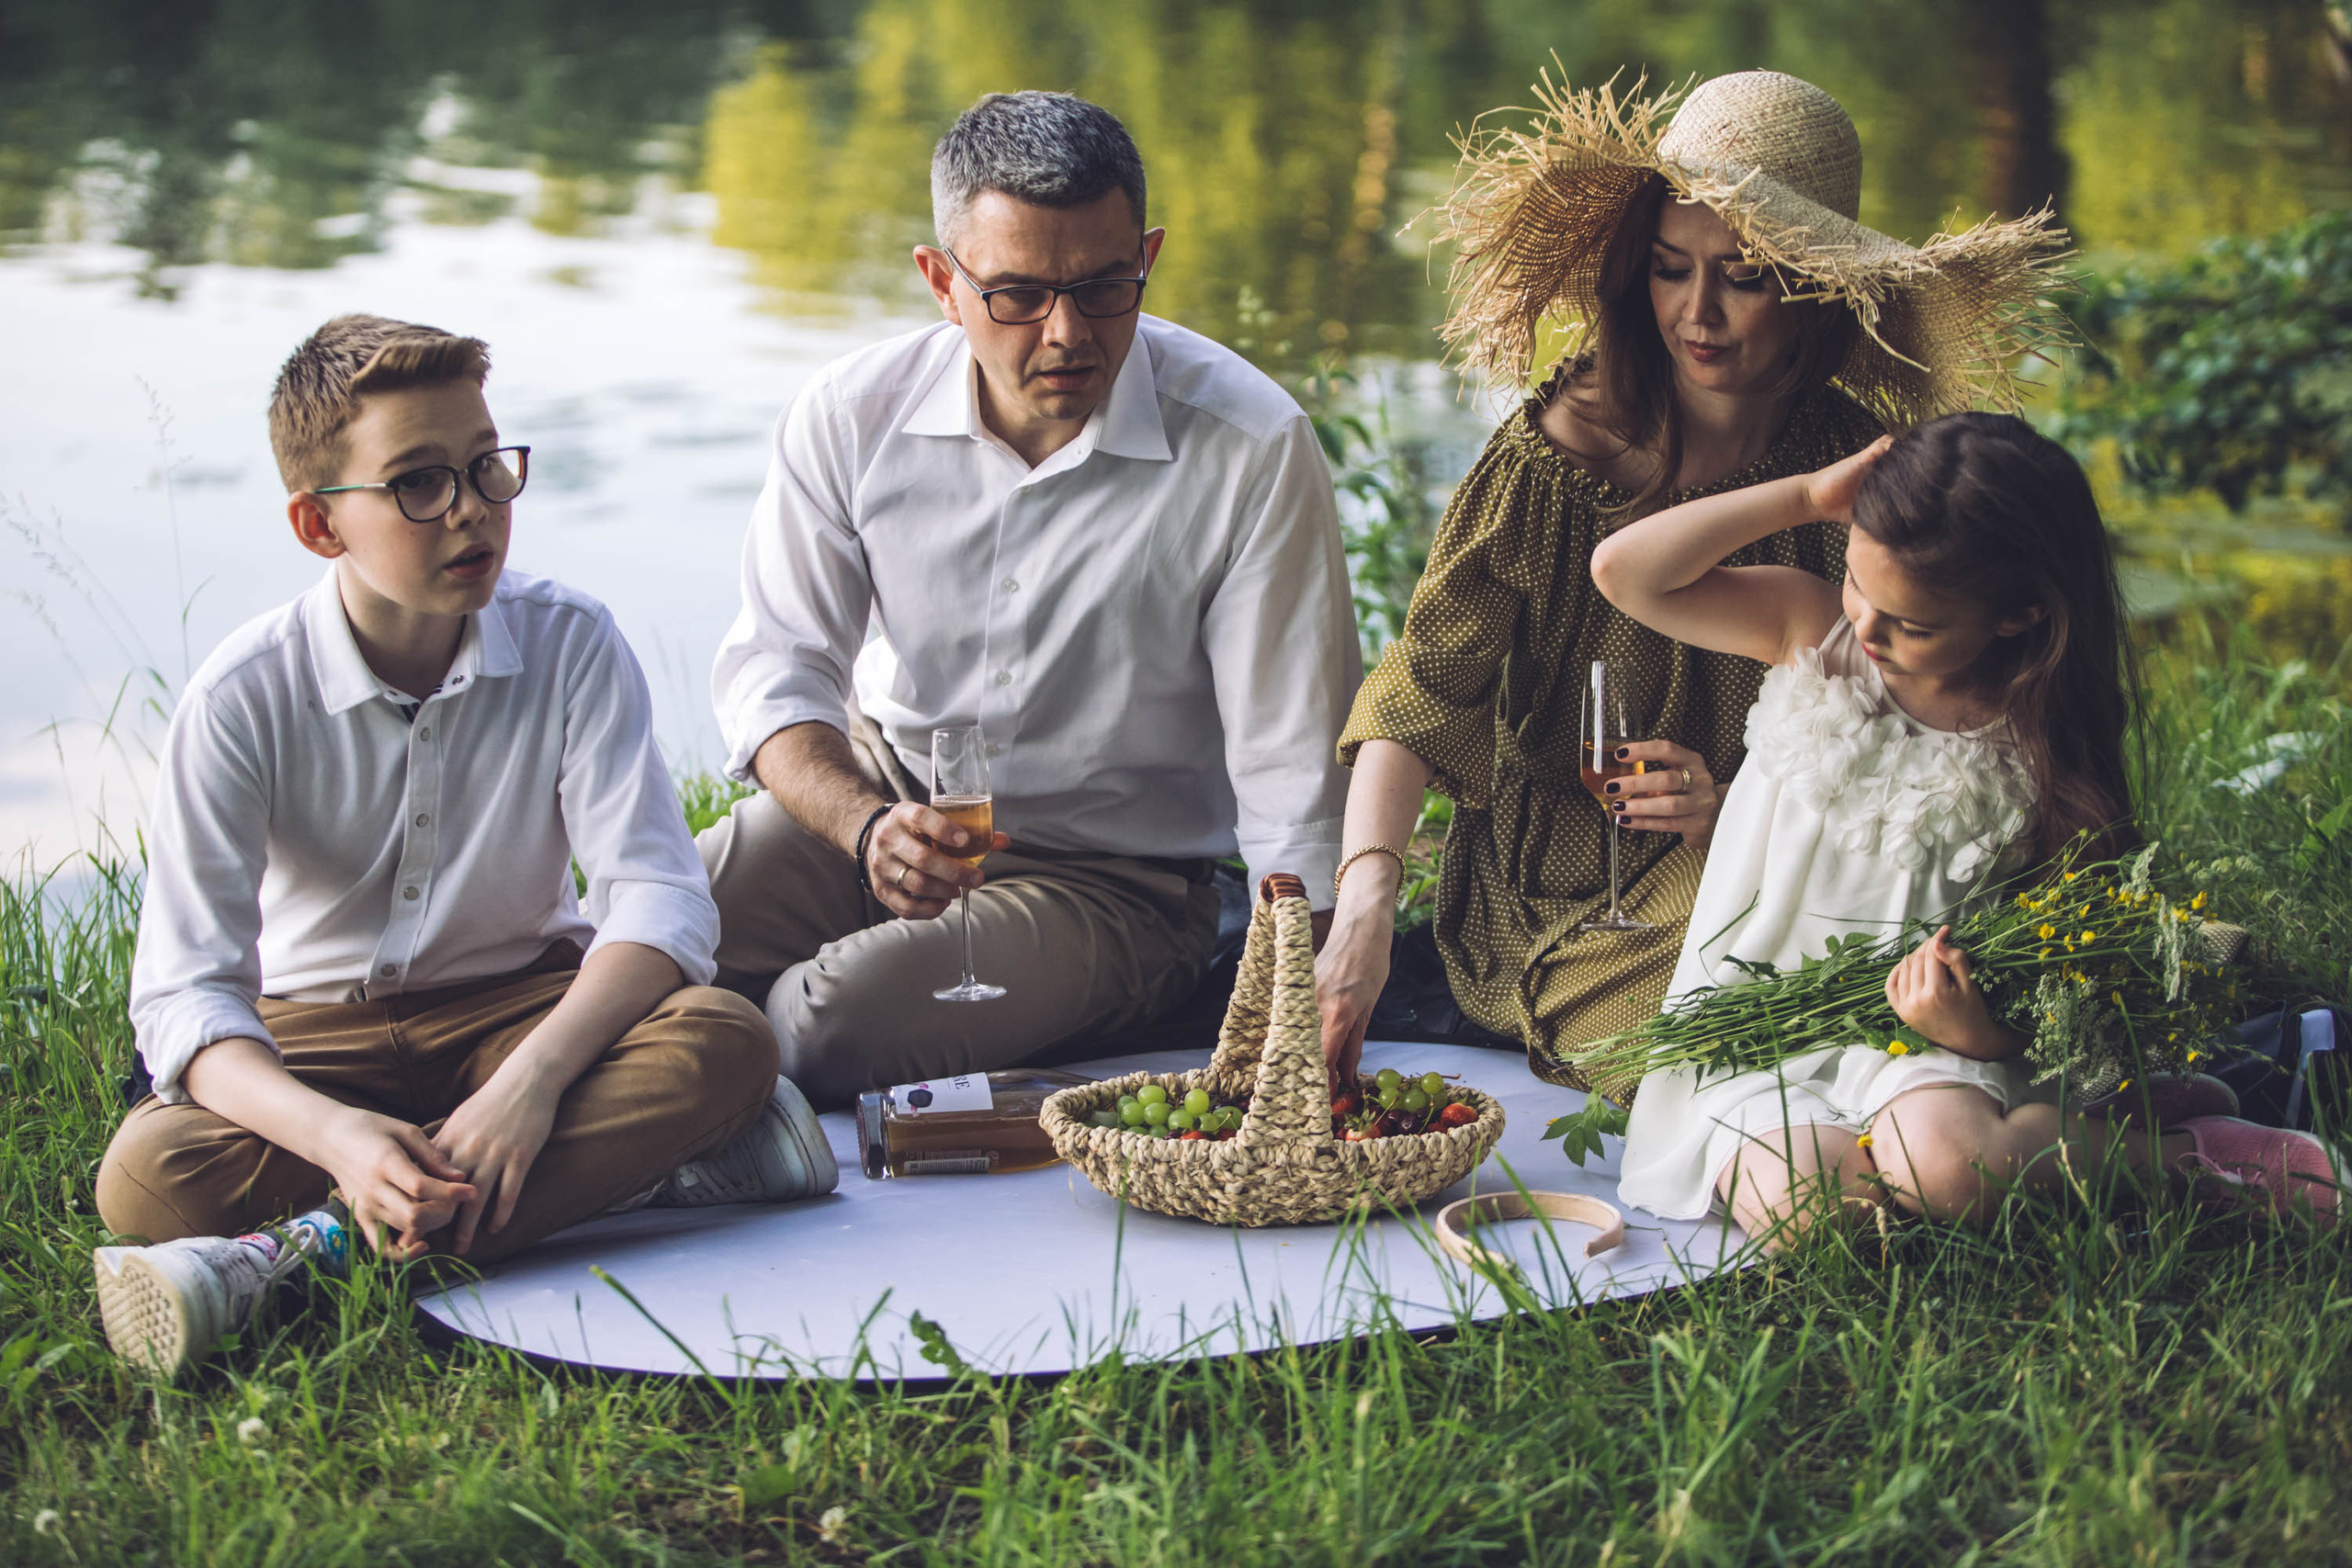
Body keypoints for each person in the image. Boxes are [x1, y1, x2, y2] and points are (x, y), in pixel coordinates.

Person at [93, 315, 836, 1378]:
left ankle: (305, 1256)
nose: (474, 511)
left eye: (487, 468)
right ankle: (637, 1177)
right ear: (318, 525)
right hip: (318, 1035)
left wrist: (528, 1088)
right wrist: (337, 1138)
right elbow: (184, 998)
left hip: (516, 1008)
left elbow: (659, 901)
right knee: (148, 1178)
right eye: (419, 484)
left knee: (723, 1040)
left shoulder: (571, 644)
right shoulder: (240, 698)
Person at [1317, 70, 2069, 1094]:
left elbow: (1900, 747)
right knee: (1724, 1025)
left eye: (1744, 278)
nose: (1697, 313)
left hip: (1776, 860)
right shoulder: (1553, 457)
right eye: (1671, 269)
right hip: (1566, 887)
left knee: (1844, 982)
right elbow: (1423, 685)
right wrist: (1365, 904)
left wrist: (1729, 810)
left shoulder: (1855, 479)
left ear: (1813, 285)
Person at [702, 91, 1359, 1107]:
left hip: (1114, 880)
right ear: (940, 281)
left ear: (1146, 255)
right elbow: (776, 673)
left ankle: (683, 1094)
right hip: (889, 797)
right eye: (1016, 295)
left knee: (824, 1023)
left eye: (1104, 287)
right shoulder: (849, 414)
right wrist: (868, 825)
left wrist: (1294, 988)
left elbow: (1292, 763)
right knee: (657, 923)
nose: (1066, 334)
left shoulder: (1250, 445)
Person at [1598, 413, 2342, 1243]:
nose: (1870, 629)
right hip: (1761, 1033)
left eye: (1912, 624)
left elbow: (2068, 961)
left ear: (2017, 615)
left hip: (1926, 1047)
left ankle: (2177, 1155)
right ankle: (2074, 1137)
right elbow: (1626, 572)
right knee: (1816, 1213)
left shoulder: (2036, 745)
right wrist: (1808, 498)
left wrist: (1987, 1034)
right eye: (1858, 583)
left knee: (1952, 1174)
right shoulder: (1812, 636)